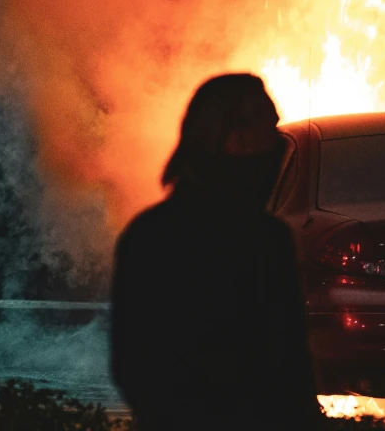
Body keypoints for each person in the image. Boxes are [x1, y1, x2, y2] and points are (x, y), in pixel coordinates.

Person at [109, 73, 323, 431]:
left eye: (275, 129)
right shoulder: (260, 242)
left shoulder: (147, 234)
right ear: (219, 138)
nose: (275, 145)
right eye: (261, 131)